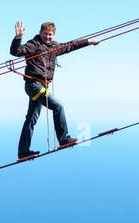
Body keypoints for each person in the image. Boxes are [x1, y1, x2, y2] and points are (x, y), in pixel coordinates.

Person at [9, 20, 99, 158]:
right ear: (40, 33)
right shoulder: (34, 45)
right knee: (58, 107)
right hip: (34, 85)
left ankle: (23, 152)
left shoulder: (54, 46)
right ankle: (63, 139)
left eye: (50, 35)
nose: (47, 37)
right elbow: (16, 51)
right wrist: (18, 37)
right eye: (45, 34)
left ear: (54, 35)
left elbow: (71, 46)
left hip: (41, 86)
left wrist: (89, 41)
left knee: (31, 119)